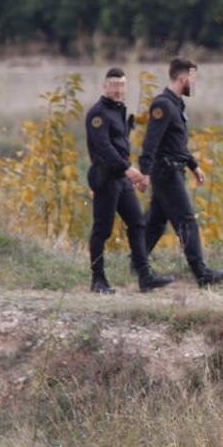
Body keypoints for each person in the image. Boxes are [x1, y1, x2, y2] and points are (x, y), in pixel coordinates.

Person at [140, 58, 223, 288]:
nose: (195, 83)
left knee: (155, 223)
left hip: (175, 168)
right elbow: (151, 142)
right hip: (166, 172)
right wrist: (143, 172)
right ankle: (202, 274)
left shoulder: (176, 105)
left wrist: (193, 165)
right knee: (187, 221)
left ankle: (136, 263)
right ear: (183, 78)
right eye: (193, 78)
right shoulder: (163, 105)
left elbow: (175, 144)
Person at [84, 68, 173, 294]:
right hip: (106, 180)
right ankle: (98, 280)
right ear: (105, 87)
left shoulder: (119, 110)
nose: (118, 90)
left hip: (122, 180)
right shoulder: (98, 113)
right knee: (102, 230)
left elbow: (122, 147)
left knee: (137, 223)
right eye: (114, 86)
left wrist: (134, 173)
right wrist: (129, 170)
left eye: (122, 86)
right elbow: (104, 148)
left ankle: (145, 277)